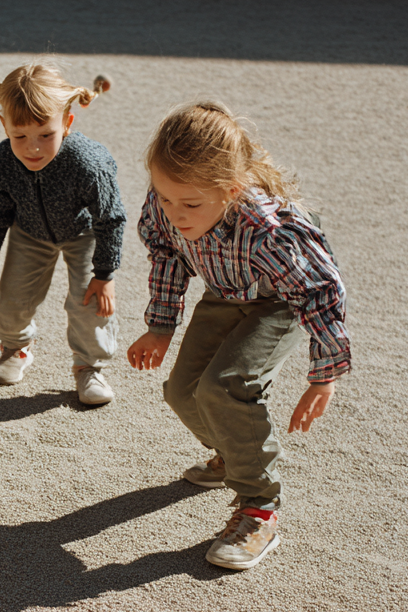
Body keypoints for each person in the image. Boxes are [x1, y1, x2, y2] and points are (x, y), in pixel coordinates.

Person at [128, 101, 350, 570]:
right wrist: (160, 326)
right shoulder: (168, 202)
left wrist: (324, 374)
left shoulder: (269, 231)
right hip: (225, 292)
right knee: (182, 392)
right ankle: (234, 452)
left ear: (230, 190)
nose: (175, 213)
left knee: (224, 387)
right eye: (165, 197)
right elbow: (167, 255)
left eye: (190, 204)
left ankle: (259, 506)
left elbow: (320, 291)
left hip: (280, 303)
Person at [0, 63, 126, 405]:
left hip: (84, 232)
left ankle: (89, 367)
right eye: (20, 136)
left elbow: (111, 218)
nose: (33, 148)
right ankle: (16, 347)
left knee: (89, 303)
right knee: (11, 304)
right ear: (4, 126)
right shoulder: (0, 163)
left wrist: (105, 273)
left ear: (67, 123)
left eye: (46, 134)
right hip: (29, 233)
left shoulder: (89, 163)